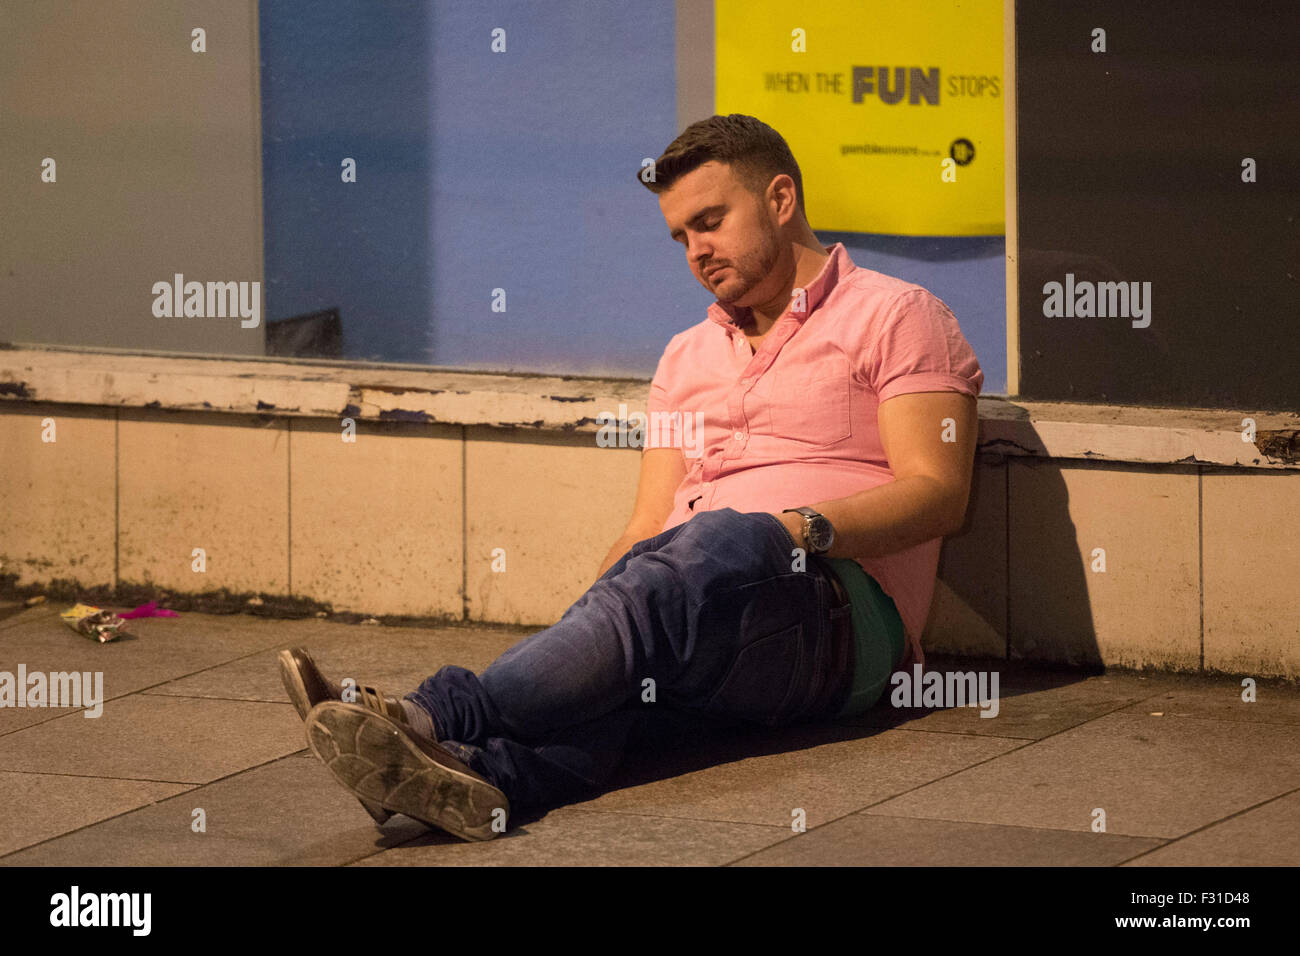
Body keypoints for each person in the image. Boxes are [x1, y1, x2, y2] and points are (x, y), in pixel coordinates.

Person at [282, 113, 983, 843]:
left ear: (781, 200)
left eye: (710, 222)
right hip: (694, 602)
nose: (696, 252)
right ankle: (464, 776)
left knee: (715, 542)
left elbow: (939, 492)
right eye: (681, 237)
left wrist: (796, 529)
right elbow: (647, 526)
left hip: (834, 612)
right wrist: (587, 636)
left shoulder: (898, 315)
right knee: (613, 695)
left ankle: (426, 715)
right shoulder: (685, 359)